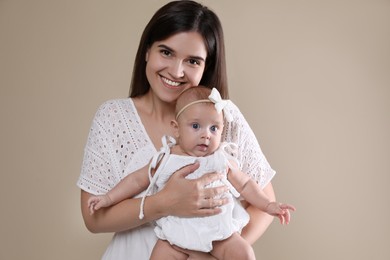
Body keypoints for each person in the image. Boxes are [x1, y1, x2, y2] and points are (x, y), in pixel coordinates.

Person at [78, 1, 279, 259]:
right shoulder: (113, 117)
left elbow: (263, 203)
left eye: (193, 61)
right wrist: (165, 202)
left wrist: (214, 252)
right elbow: (93, 219)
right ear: (147, 51)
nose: (176, 71)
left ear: (207, 66)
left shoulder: (224, 118)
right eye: (166, 52)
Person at [87, 87, 296, 260]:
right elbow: (136, 180)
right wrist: (108, 198)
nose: (206, 135)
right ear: (176, 129)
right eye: (196, 126)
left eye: (214, 128)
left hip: (219, 233)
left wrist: (268, 205)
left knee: (245, 254)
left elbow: (246, 185)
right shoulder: (166, 157)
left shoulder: (221, 158)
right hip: (175, 236)